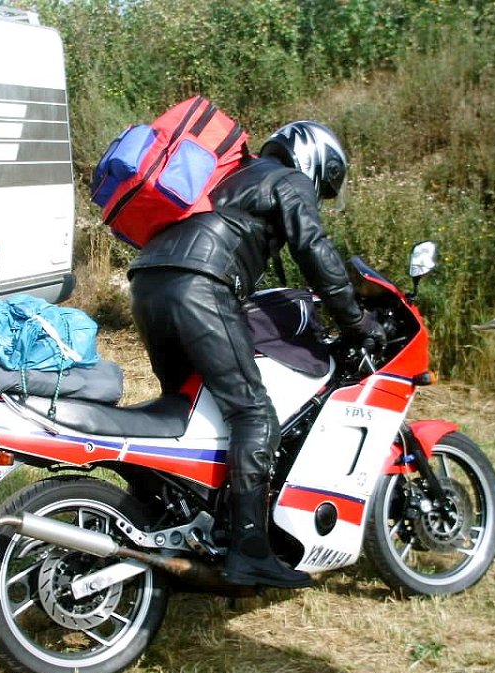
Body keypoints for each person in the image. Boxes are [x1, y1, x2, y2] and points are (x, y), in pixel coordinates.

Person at [128, 120, 386, 589]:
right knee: (252, 412)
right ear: (315, 159)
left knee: (186, 415)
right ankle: (249, 549)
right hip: (199, 285)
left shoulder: (234, 178)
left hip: (149, 283)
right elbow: (314, 249)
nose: (322, 192)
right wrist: (356, 321)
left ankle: (167, 520)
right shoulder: (288, 179)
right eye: (327, 182)